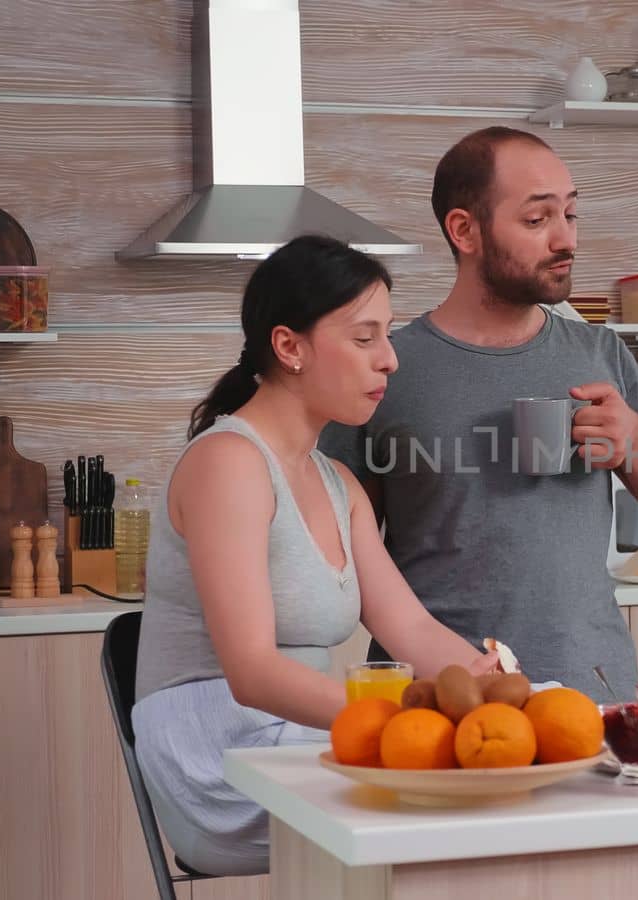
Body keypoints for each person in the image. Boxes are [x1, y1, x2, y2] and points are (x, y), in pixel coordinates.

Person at [131, 235, 499, 876]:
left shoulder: (336, 482)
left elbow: (408, 627)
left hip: (296, 737)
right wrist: (410, 713)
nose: (389, 361)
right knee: (458, 792)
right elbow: (252, 673)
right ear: (289, 346)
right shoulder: (229, 464)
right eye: (364, 339)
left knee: (497, 760)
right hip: (221, 752)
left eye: (387, 337)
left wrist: (480, 680)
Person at [320, 126, 638, 700]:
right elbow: (345, 554)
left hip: (592, 695)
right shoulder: (387, 368)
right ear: (464, 230)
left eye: (571, 215)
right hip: (441, 701)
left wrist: (634, 437)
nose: (565, 240)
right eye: (537, 221)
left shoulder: (600, 354)